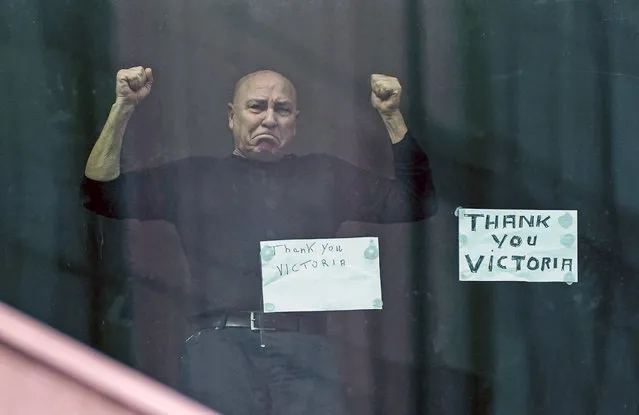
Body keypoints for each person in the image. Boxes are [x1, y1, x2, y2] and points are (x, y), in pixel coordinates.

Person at [81, 66, 437, 414]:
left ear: (295, 122)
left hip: (304, 350)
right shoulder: (193, 177)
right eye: (256, 107)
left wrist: (390, 114)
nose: (269, 118)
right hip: (220, 349)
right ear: (232, 116)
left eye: (281, 109)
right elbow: (100, 193)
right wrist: (123, 107)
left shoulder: (325, 175)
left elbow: (417, 201)